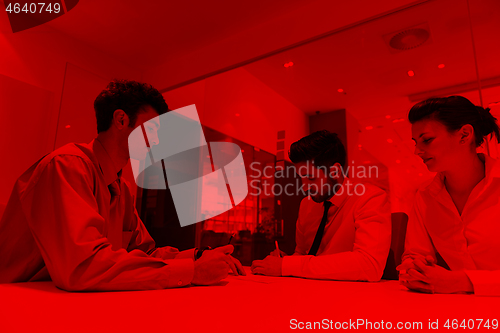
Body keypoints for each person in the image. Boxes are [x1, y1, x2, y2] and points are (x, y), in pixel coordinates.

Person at [0, 79, 244, 291]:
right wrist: (191, 272)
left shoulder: (122, 188)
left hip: (65, 302)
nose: (158, 140)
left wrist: (198, 256)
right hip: (18, 302)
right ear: (120, 119)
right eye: (154, 129)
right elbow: (83, 267)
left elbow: (146, 253)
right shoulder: (67, 166)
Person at [251, 130, 391, 281]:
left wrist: (288, 265)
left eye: (311, 178)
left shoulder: (370, 198)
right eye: (301, 178)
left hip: (353, 297)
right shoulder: (307, 204)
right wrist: (285, 260)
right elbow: (302, 253)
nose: (304, 188)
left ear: (335, 171)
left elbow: (369, 265)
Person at [398, 96, 500, 296]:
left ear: (464, 135)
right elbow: (415, 254)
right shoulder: (425, 196)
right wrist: (414, 266)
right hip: (458, 312)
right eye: (416, 142)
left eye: (427, 140)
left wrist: (463, 282)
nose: (417, 151)